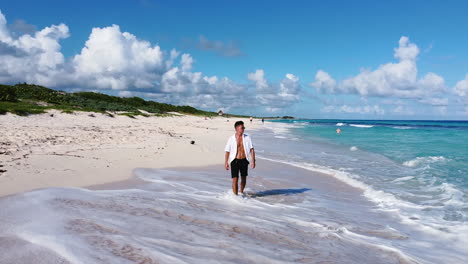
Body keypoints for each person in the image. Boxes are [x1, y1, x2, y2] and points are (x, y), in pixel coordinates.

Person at [224, 121, 256, 195]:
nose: (243, 129)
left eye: (244, 127)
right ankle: (235, 196)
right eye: (242, 128)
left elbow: (252, 149)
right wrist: (226, 162)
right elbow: (227, 151)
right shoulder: (231, 139)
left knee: (244, 179)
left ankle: (241, 192)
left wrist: (253, 161)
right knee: (235, 179)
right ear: (237, 128)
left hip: (244, 160)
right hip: (234, 160)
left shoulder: (247, 137)